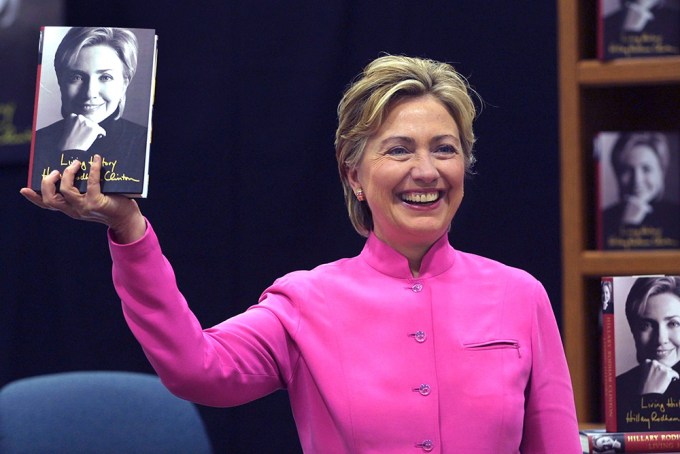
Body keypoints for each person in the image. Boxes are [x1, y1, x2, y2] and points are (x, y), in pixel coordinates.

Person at [21, 54, 582, 452]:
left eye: (445, 149)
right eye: (398, 150)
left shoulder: (520, 295)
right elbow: (198, 370)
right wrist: (128, 228)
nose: (426, 171)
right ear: (354, 175)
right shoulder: (306, 300)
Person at [30, 27, 148, 194]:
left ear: (124, 83)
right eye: (76, 77)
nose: (89, 93)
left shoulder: (143, 142)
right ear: (60, 81)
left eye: (105, 77)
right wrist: (70, 149)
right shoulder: (37, 143)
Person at [616, 276, 680, 430]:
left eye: (673, 323)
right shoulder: (618, 389)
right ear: (634, 331)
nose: (660, 339)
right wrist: (650, 395)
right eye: (646, 325)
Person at [601, 131, 680, 249]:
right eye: (627, 170)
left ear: (661, 172)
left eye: (646, 169)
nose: (637, 180)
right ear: (617, 175)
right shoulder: (603, 220)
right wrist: (628, 224)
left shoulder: (676, 216)